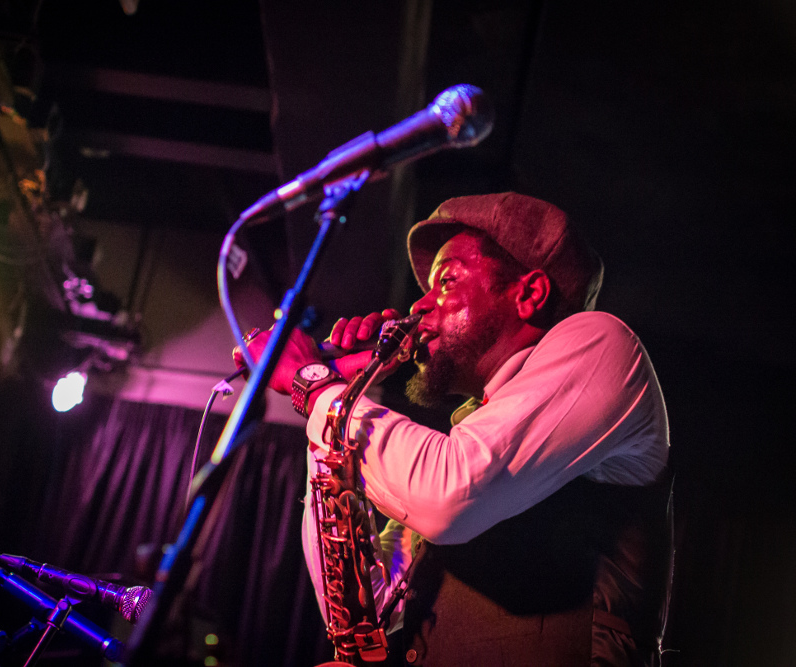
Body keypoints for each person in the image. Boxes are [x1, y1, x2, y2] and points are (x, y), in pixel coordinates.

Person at [235, 192, 673, 666]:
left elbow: (448, 495)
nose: (419, 306)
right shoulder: (474, 427)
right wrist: (343, 392)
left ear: (529, 294)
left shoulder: (601, 344)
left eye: (446, 280)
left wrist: (314, 385)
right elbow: (367, 613)